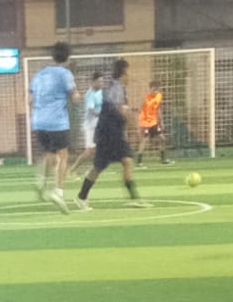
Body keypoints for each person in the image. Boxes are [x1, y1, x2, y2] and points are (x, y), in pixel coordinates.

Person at [75, 57, 146, 212]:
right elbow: (122, 110)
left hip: (112, 134)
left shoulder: (117, 88)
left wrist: (126, 129)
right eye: (128, 73)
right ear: (123, 73)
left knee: (126, 161)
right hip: (108, 135)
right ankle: (81, 197)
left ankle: (134, 198)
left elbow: (120, 112)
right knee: (99, 167)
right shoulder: (116, 89)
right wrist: (136, 128)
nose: (129, 76)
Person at [28, 41, 80, 214]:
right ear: (67, 57)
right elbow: (74, 96)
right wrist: (77, 96)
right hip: (57, 121)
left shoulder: (39, 74)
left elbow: (29, 99)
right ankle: (58, 192)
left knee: (50, 153)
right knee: (64, 156)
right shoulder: (65, 73)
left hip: (38, 121)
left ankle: (41, 181)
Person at [137, 82, 168, 164]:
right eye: (154, 89)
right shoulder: (145, 98)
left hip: (154, 122)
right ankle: (139, 161)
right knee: (145, 140)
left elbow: (158, 109)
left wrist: (161, 121)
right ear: (150, 89)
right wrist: (140, 125)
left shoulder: (159, 96)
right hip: (145, 122)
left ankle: (163, 159)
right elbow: (140, 110)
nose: (155, 91)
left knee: (162, 139)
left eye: (157, 89)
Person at [78, 71, 105, 165]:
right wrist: (102, 114)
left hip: (98, 125)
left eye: (102, 81)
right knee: (90, 150)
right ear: (93, 82)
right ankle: (73, 169)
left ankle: (97, 167)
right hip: (90, 125)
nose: (101, 83)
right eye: (99, 81)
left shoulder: (100, 92)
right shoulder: (90, 94)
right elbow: (91, 110)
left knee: (101, 147)